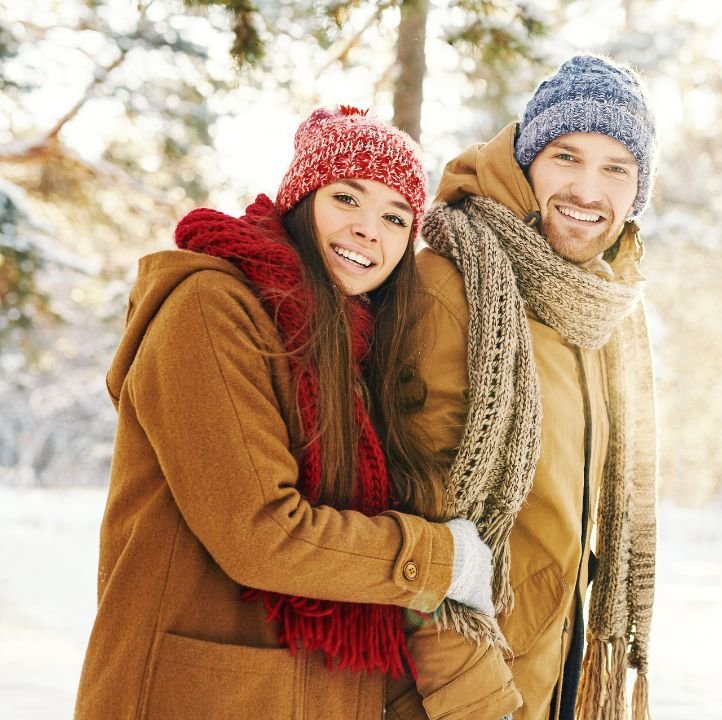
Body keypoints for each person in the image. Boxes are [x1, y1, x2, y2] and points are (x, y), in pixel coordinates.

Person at [74, 106, 499, 720]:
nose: (367, 230)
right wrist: (440, 559)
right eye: (347, 199)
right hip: (193, 697)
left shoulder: (358, 349)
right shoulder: (210, 310)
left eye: (394, 216)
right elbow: (263, 533)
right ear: (302, 201)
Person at [391, 54, 660, 720]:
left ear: (637, 192)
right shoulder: (455, 285)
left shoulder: (600, 307)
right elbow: (425, 532)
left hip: (552, 675)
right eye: (566, 156)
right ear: (526, 160)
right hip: (467, 695)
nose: (589, 190)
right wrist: (479, 706)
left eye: (615, 168)